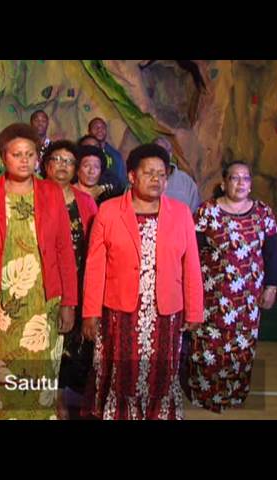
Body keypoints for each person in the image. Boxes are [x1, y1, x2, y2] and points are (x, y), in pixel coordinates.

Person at [0, 123, 78, 420]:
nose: (24, 160)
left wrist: (69, 302)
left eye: (30, 154)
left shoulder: (51, 193)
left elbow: (64, 249)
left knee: (38, 375)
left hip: (42, 304)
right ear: (3, 157)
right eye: (16, 154)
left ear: (37, 157)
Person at [82, 143, 203, 420]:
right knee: (121, 373)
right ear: (132, 176)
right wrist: (90, 312)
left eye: (161, 174)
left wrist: (195, 310)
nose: (156, 180)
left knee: (162, 373)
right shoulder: (109, 211)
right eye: (149, 173)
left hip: (165, 313)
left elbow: (191, 265)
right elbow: (95, 266)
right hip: (120, 312)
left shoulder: (181, 213)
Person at [186, 160, 277, 413]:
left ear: (251, 184)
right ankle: (204, 395)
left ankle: (236, 394)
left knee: (242, 346)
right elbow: (192, 253)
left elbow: (272, 254)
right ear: (224, 183)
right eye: (235, 178)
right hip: (211, 296)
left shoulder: (263, 213)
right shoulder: (207, 212)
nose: (240, 183)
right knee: (208, 346)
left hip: (248, 298)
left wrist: (271, 286)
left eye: (245, 178)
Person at [41, 140, 98, 419]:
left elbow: (97, 247)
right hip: (41, 283)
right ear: (46, 165)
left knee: (69, 344)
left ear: (75, 169)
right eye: (57, 159)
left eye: (69, 161)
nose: (62, 165)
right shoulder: (33, 196)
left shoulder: (85, 202)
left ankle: (61, 396)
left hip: (76, 282)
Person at [154, 137, 201, 213]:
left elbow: (195, 212)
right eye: (155, 154)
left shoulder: (186, 182)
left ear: (170, 155)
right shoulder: (145, 180)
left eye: (162, 153)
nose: (159, 158)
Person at [87, 117, 127, 186]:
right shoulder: (84, 152)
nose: (99, 130)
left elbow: (121, 181)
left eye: (102, 127)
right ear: (89, 131)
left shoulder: (116, 155)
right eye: (95, 127)